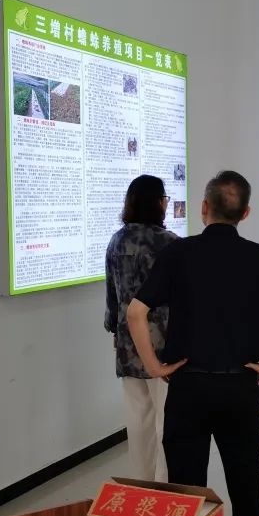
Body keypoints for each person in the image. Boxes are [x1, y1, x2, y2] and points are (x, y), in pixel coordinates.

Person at [127, 170, 259, 516]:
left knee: (186, 498)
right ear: (245, 213)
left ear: (203, 208)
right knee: (247, 490)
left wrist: (153, 366)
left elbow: (136, 312)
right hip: (240, 388)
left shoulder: (177, 253)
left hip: (187, 386)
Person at [104, 175, 178, 482]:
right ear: (158, 202)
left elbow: (113, 296)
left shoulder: (116, 241)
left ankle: (141, 485)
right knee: (167, 420)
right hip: (165, 345)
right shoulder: (170, 242)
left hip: (128, 344)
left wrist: (114, 330)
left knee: (137, 421)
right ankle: (165, 486)